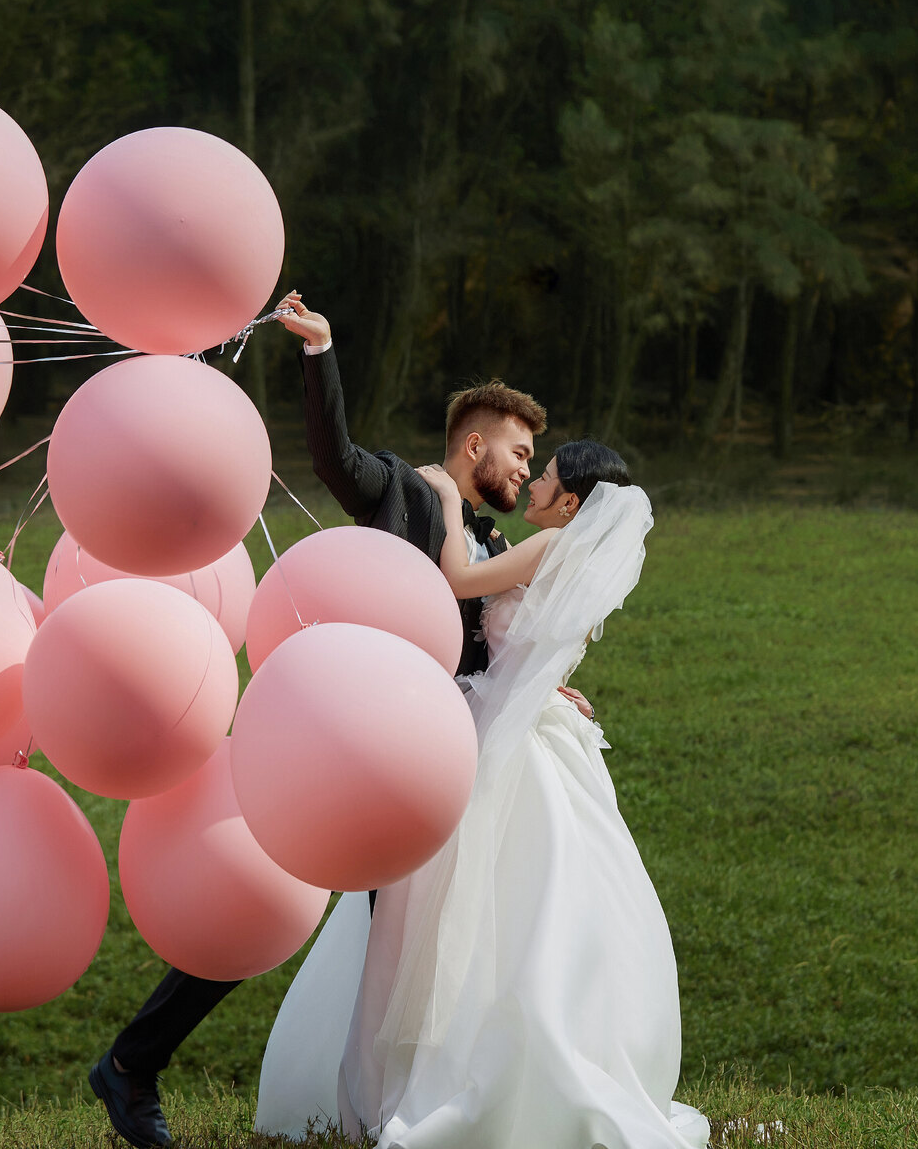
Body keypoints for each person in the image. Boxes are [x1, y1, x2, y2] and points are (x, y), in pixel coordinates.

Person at [88, 292, 571, 1148]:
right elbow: (335, 457)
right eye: (519, 451)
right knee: (268, 893)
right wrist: (322, 355)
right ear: (474, 444)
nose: (526, 470)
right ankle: (132, 1064)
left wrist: (538, 687)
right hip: (342, 737)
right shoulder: (406, 495)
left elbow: (474, 650)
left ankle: (400, 1105)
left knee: (413, 927)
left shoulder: (489, 548)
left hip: (416, 759)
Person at [255, 440, 709, 1149]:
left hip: (500, 731)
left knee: (469, 898)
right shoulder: (578, 559)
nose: (532, 485)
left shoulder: (549, 547)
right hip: (533, 722)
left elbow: (461, 582)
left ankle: (461, 1067)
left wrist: (443, 501)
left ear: (569, 505)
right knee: (521, 896)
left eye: (547, 477)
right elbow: (544, 642)